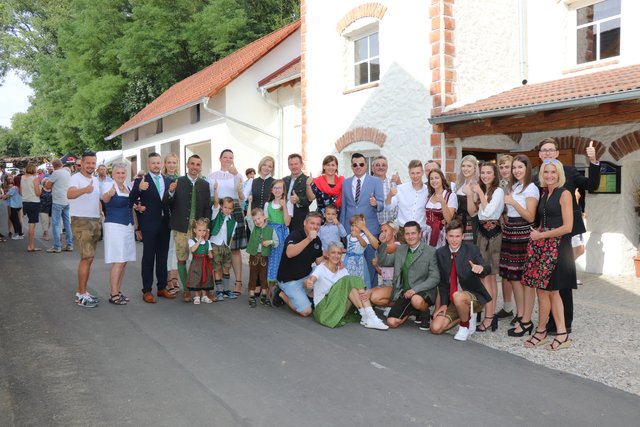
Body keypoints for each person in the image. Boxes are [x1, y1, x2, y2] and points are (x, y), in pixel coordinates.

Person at [537, 137, 601, 335]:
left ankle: (565, 322)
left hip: (567, 232)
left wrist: (594, 162)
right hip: (546, 235)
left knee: (562, 280)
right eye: (544, 150)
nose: (547, 153)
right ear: (540, 155)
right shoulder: (536, 177)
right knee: (548, 281)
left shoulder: (570, 171)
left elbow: (592, 184)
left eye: (551, 150)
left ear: (557, 153)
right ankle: (549, 321)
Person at [521, 159, 574, 350]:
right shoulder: (546, 192)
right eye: (546, 172)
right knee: (541, 291)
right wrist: (537, 233)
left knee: (553, 291)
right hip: (543, 247)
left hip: (558, 248)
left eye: (553, 172)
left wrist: (541, 234)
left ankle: (561, 334)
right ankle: (542, 331)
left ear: (559, 174)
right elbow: (546, 220)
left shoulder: (565, 193)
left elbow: (567, 227)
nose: (549, 175)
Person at [371, 221, 440, 330]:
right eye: (407, 234)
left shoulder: (430, 251)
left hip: (423, 291)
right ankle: (413, 310)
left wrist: (415, 290)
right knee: (391, 322)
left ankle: (424, 313)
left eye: (413, 233)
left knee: (416, 300)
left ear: (419, 234)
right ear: (404, 235)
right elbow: (384, 262)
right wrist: (383, 244)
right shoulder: (400, 249)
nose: (410, 236)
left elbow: (435, 278)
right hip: (405, 293)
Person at [430, 219, 491, 341]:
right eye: (451, 236)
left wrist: (481, 268)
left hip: (472, 296)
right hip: (453, 299)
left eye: (457, 236)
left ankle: (464, 325)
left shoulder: (472, 250)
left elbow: (487, 266)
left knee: (458, 296)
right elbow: (442, 282)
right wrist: (443, 304)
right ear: (446, 237)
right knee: (436, 328)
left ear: (463, 236)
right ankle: (467, 314)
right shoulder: (440, 253)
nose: (454, 240)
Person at [307, 241, 388, 330]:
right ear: (327, 254)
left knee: (351, 286)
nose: (336, 256)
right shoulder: (321, 268)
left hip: (336, 307)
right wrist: (310, 282)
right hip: (324, 310)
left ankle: (367, 316)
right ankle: (370, 316)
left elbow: (351, 288)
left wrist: (362, 292)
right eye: (333, 252)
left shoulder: (342, 270)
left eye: (339, 253)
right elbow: (312, 278)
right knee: (349, 280)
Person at [500, 155, 539, 337]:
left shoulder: (530, 188)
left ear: (527, 168)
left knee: (524, 278)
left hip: (523, 232)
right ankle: (520, 314)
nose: (516, 170)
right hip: (511, 231)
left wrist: (514, 202)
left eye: (520, 167)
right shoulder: (514, 186)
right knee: (514, 277)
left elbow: (531, 216)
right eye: (514, 167)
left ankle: (526, 320)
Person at [164, 154, 212, 303]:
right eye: (192, 164)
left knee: (200, 259)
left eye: (198, 164)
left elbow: (207, 208)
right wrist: (170, 191)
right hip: (180, 227)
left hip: (198, 229)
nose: (194, 167)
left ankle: (201, 288)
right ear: (187, 164)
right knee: (182, 259)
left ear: (200, 167)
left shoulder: (204, 184)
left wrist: (206, 228)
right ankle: (186, 290)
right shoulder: (177, 182)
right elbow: (166, 203)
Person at [129, 152, 175, 303]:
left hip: (165, 225)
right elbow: (131, 199)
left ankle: (162, 288)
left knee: (162, 258)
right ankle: (147, 290)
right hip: (149, 225)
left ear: (161, 164)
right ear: (148, 165)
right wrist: (139, 189)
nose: (156, 165)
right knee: (148, 258)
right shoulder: (141, 180)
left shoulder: (167, 180)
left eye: (158, 162)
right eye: (153, 163)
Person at [339, 153, 384, 288]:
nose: (358, 167)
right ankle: (354, 294)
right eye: (355, 164)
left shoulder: (375, 181)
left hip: (369, 228)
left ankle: (371, 294)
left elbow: (381, 205)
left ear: (366, 166)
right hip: (351, 230)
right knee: (352, 263)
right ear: (351, 166)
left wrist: (375, 203)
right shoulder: (346, 183)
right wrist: (343, 232)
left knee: (371, 263)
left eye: (361, 164)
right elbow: (344, 207)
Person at [472, 161, 505, 332]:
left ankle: (490, 317)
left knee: (490, 277)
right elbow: (476, 213)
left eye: (488, 173)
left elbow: (488, 212)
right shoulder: (483, 190)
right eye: (483, 172)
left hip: (493, 237)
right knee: (484, 277)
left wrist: (479, 194)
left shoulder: (498, 191)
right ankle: (488, 315)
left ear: (494, 175)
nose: (485, 175)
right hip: (482, 235)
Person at [208, 149, 246, 296]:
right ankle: (218, 285)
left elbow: (241, 195)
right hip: (218, 210)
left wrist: (236, 175)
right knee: (217, 247)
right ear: (220, 158)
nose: (228, 159)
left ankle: (238, 282)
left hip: (234, 209)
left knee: (234, 249)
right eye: (225, 157)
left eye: (231, 157)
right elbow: (210, 196)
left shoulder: (238, 175)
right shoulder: (211, 176)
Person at [67, 151, 102, 308]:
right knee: (86, 258)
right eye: (88, 163)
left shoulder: (95, 179)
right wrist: (84, 190)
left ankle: (83, 292)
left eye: (93, 163)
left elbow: (97, 199)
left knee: (90, 258)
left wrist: (101, 213)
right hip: (81, 221)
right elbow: (70, 194)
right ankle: (80, 295)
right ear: (82, 163)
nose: (91, 166)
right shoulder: (75, 178)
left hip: (94, 221)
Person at [273, 212, 324, 317]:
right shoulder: (296, 234)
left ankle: (305, 294)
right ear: (305, 223)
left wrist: (334, 260)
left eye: (318, 224)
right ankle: (281, 293)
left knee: (322, 272)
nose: (315, 226)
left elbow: (320, 263)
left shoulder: (317, 240)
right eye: (312, 223)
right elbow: (289, 253)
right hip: (289, 280)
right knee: (306, 311)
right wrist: (309, 239)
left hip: (305, 276)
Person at [101, 163, 136, 305]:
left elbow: (131, 206)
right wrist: (109, 194)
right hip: (115, 226)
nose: (121, 175)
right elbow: (105, 198)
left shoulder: (128, 187)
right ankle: (113, 293)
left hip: (127, 226)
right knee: (118, 260)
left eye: (123, 173)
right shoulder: (109, 185)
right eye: (118, 173)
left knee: (124, 261)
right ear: (113, 174)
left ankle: (118, 290)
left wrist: (136, 226)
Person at [244, 202, 278, 308]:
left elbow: (276, 243)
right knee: (253, 277)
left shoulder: (271, 230)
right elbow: (248, 217)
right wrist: (250, 202)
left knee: (264, 277)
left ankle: (264, 296)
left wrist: (270, 242)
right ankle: (251, 296)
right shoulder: (253, 228)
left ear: (264, 217)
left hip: (264, 257)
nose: (257, 221)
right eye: (255, 220)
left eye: (259, 218)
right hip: (254, 256)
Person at [386, 160, 428, 242]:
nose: (415, 176)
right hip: (403, 232)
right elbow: (388, 207)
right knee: (402, 254)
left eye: (418, 173)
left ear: (422, 173)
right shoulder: (401, 188)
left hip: (421, 232)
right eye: (412, 173)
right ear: (409, 173)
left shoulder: (428, 190)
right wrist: (389, 195)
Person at [209, 183, 238, 301]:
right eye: (225, 207)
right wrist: (215, 190)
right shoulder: (217, 214)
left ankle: (226, 290)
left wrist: (229, 247)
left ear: (232, 210)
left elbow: (231, 236)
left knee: (226, 268)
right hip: (215, 244)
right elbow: (216, 202)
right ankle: (219, 290)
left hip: (226, 246)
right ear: (221, 207)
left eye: (230, 208)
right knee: (217, 268)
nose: (227, 210)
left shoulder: (233, 221)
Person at [495, 154, 514, 319]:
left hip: (515, 230)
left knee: (516, 272)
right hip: (501, 230)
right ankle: (507, 307)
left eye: (507, 167)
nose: (504, 170)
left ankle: (521, 308)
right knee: (505, 272)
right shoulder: (498, 185)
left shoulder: (518, 185)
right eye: (501, 167)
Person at [264, 179, 291, 297]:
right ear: (271, 190)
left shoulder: (288, 203)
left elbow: (287, 223)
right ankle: (269, 288)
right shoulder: (267, 204)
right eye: (275, 188)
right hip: (270, 233)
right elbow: (265, 221)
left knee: (279, 259)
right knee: (270, 260)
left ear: (284, 190)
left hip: (281, 234)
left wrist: (284, 206)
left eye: (279, 188)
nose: (277, 190)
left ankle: (279, 289)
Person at [424, 169, 457, 248]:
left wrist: (443, 202)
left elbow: (449, 219)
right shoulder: (429, 196)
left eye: (436, 178)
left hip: (442, 233)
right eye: (431, 179)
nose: (434, 180)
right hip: (427, 233)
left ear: (442, 179)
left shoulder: (450, 196)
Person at [163, 153, 180, 294]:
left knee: (177, 250)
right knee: (168, 249)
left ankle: (175, 278)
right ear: (165, 164)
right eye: (169, 162)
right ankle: (168, 279)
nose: (172, 165)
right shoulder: (162, 179)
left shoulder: (181, 179)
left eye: (174, 162)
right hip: (166, 218)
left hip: (178, 218)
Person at [344, 215, 379, 285]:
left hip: (359, 261)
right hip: (349, 260)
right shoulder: (348, 236)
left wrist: (358, 236)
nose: (354, 228)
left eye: (356, 226)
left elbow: (364, 244)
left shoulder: (363, 236)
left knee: (360, 278)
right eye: (352, 226)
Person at [187, 218, 215, 305]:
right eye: (199, 230)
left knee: (205, 279)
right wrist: (199, 241)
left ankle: (204, 296)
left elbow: (210, 255)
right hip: (196, 263)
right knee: (197, 279)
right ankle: (196, 296)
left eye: (204, 230)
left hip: (205, 263)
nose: (202, 232)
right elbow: (193, 250)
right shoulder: (192, 241)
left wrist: (210, 254)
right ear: (195, 230)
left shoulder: (208, 242)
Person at [453, 155, 479, 243]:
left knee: (468, 253)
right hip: (457, 223)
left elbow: (473, 212)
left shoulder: (476, 186)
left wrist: (469, 194)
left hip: (470, 224)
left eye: (469, 166)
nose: (465, 168)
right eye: (463, 166)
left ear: (475, 168)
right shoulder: (459, 184)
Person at [283, 153, 311, 232]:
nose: (294, 166)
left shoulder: (307, 180)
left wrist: (298, 200)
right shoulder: (284, 180)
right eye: (291, 164)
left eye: (296, 164)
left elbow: (309, 200)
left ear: (301, 165)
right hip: (284, 218)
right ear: (288, 166)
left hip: (300, 219)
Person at [372, 155, 399, 225]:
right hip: (373, 226)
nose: (381, 167)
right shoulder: (367, 184)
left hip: (391, 226)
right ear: (372, 168)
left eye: (383, 165)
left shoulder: (393, 184)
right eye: (377, 165)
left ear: (387, 168)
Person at [20, 163, 42, 252]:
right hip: (34, 202)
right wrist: (41, 189)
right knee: (32, 224)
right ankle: (30, 246)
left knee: (31, 223)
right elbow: (38, 193)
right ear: (34, 170)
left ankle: (31, 245)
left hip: (25, 202)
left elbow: (21, 191)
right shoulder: (34, 179)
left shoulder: (22, 178)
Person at [2, 174, 23, 239]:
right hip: (18, 205)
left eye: (12, 178)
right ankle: (19, 233)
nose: (11, 179)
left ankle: (17, 233)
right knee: (15, 218)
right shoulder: (20, 187)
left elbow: (6, 196)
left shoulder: (14, 188)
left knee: (14, 218)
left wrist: (3, 196)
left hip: (14, 205)